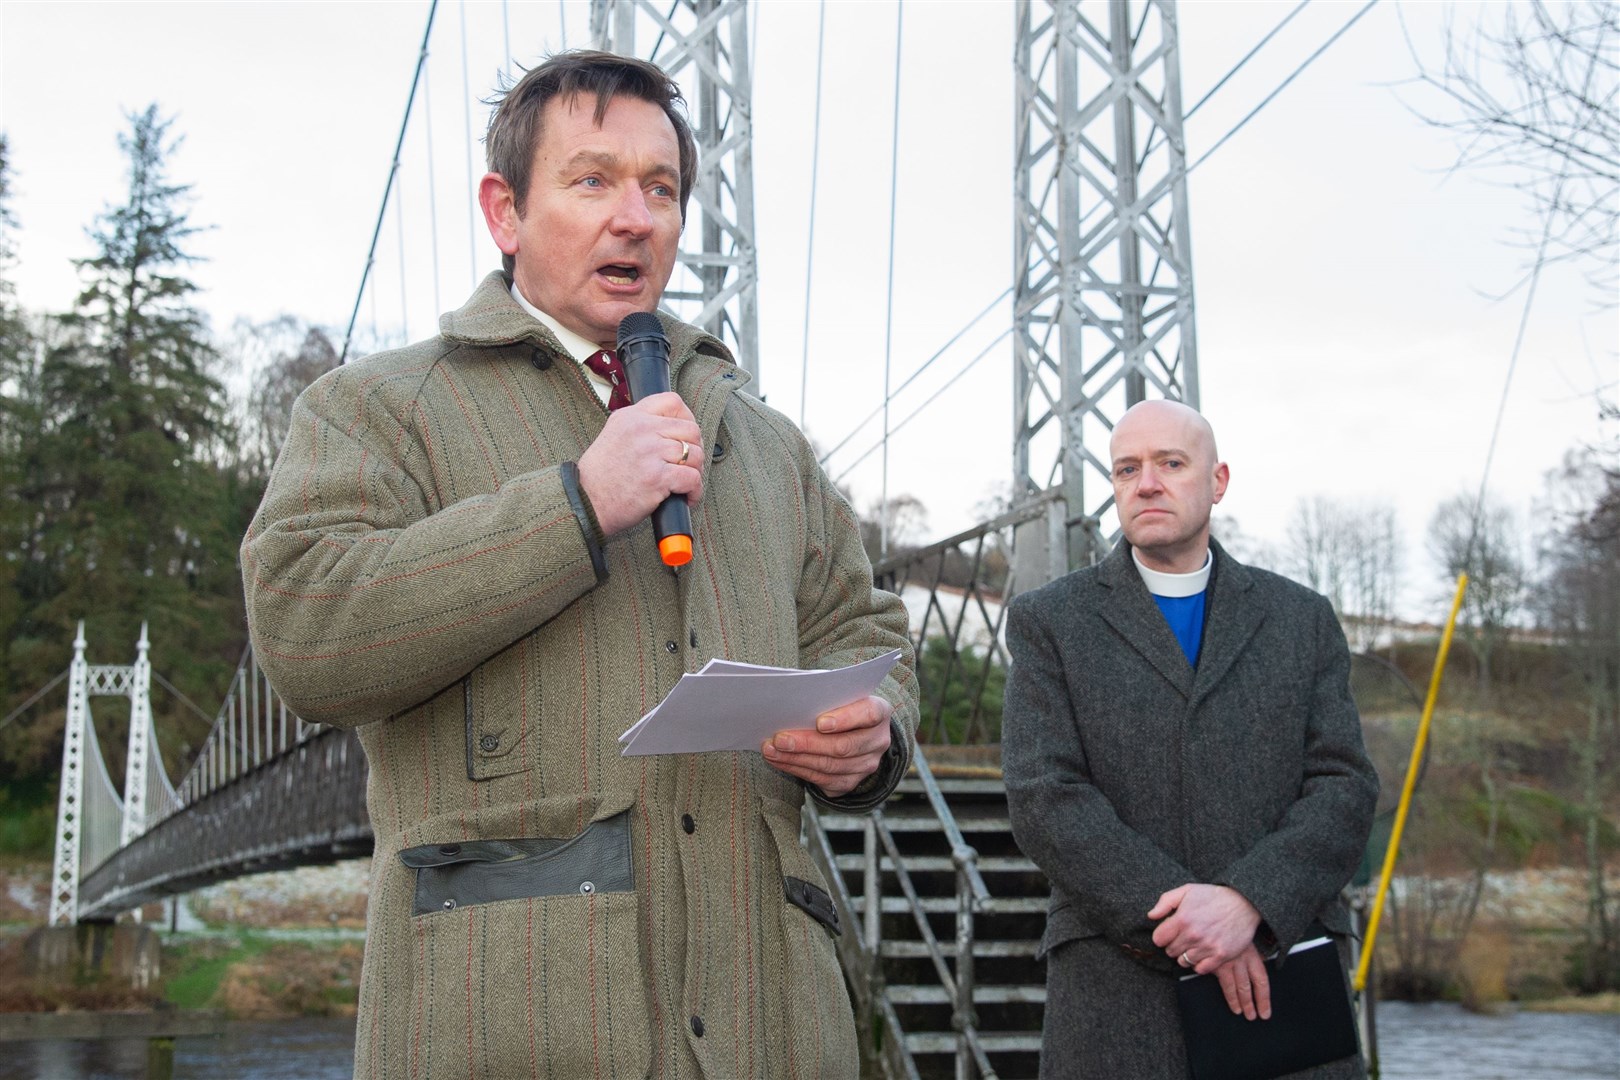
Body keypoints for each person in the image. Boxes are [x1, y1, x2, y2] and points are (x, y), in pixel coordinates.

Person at [242, 50, 917, 1080]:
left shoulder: (768, 443)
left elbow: (867, 634)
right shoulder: (377, 409)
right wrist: (578, 504)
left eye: (662, 189)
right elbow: (305, 630)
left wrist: (874, 737)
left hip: (777, 1031)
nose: (637, 218)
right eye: (593, 179)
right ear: (505, 213)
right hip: (510, 1030)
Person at [1002, 399, 1379, 1080]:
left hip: (1280, 981)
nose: (1146, 482)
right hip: (1117, 1001)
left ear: (1219, 480)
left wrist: (1249, 903)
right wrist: (1195, 925)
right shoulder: (1049, 621)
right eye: (1126, 469)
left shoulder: (1302, 619)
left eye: (1170, 463)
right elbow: (1045, 798)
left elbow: (1344, 786)